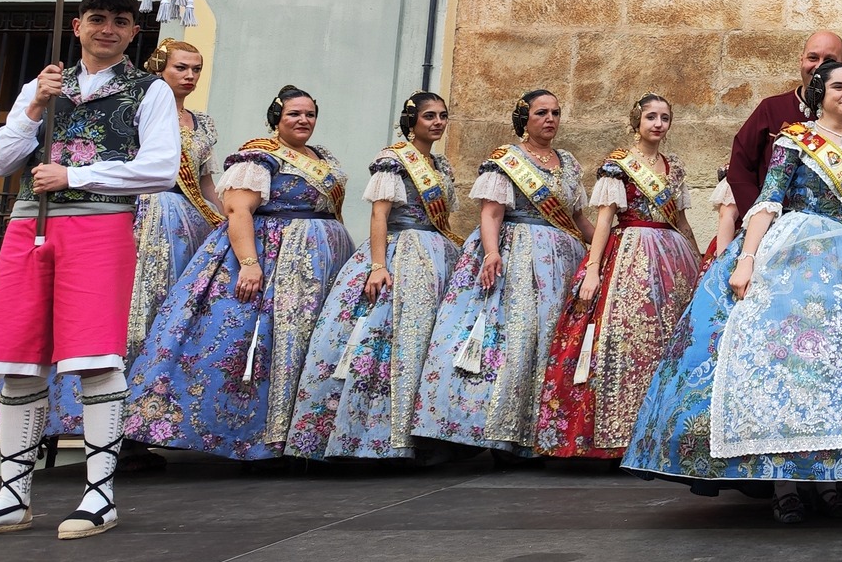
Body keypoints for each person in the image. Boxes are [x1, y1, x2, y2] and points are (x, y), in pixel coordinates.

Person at [622, 59, 842, 522]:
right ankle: (784, 485)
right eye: (839, 87)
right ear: (820, 93)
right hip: (797, 253)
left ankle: (832, 480)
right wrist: (747, 260)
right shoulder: (794, 139)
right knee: (789, 367)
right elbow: (768, 201)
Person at [0, 0, 180, 539]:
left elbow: (161, 168)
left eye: (120, 21)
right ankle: (13, 494)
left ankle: (100, 495)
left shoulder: (149, 90)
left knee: (96, 355)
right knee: (19, 358)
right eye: (97, 19)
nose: (107, 29)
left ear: (133, 32)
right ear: (77, 27)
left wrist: (75, 175)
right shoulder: (44, 84)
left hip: (99, 224)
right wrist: (33, 108)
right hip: (29, 223)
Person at [126, 86, 351, 465]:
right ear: (277, 118)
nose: (303, 120)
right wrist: (249, 262)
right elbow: (238, 210)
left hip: (319, 263)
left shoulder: (321, 157)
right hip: (274, 259)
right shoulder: (260, 156)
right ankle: (251, 437)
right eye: (294, 114)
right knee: (256, 343)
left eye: (310, 114)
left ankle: (298, 436)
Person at [285, 93, 459, 461]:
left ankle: (425, 433)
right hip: (401, 251)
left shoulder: (440, 165)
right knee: (386, 338)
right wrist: (379, 266)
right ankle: (368, 436)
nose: (438, 123)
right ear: (412, 121)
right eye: (429, 116)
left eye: (442, 116)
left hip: (437, 256)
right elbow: (380, 214)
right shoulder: (393, 161)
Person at [413, 89, 588, 455]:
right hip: (518, 256)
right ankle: (499, 430)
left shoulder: (569, 162)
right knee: (516, 338)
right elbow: (491, 213)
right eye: (541, 112)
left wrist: (609, 245)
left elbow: (577, 218)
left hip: (563, 261)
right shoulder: (506, 160)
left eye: (556, 112)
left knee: (552, 340)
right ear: (525, 119)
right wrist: (492, 253)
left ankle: (540, 435)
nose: (550, 119)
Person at [535, 94, 703, 459]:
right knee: (626, 339)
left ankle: (659, 431)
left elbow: (681, 220)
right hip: (630, 255)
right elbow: (605, 220)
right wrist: (593, 269)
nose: (658, 124)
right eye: (651, 117)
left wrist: (699, 257)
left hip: (672, 257)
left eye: (664, 118)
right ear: (636, 121)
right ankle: (618, 434)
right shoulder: (618, 166)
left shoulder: (673, 167)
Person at [127, 39, 222, 359]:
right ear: (159, 69)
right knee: (146, 288)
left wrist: (228, 217)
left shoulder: (203, 122)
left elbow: (205, 181)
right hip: (150, 211)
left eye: (196, 69)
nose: (190, 76)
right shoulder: (139, 110)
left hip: (192, 217)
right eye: (180, 68)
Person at [724, 31, 842, 224]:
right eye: (813, 58)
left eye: (829, 60)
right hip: (772, 223)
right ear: (801, 60)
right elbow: (740, 169)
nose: (819, 66)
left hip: (834, 225)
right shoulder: (771, 109)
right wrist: (759, 219)